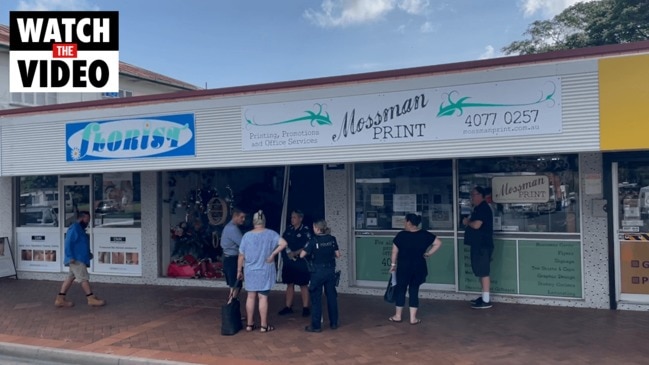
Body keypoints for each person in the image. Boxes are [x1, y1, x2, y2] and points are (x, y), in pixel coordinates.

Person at [237, 210, 287, 333]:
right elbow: (284, 243)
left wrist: (239, 270)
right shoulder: (271, 234)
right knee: (263, 298)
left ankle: (249, 324)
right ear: (264, 221)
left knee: (250, 297)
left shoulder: (247, 236)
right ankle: (264, 326)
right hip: (264, 270)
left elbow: (241, 255)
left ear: (253, 222)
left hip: (250, 271)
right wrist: (272, 255)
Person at [388, 213, 442, 325]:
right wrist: (428, 254)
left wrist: (393, 265)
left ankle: (398, 316)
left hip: (403, 267)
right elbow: (438, 243)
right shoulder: (424, 234)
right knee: (414, 290)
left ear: (408, 222)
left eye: (404, 221)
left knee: (401, 290)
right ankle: (413, 318)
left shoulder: (401, 235)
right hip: (419, 267)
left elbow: (394, 252)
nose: (404, 223)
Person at [55, 211, 105, 308]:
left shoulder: (80, 229)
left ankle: (60, 299)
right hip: (76, 259)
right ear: (82, 218)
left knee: (70, 278)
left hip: (80, 257)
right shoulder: (74, 228)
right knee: (83, 278)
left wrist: (88, 254)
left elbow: (81, 244)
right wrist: (70, 257)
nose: (88, 222)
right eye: (87, 220)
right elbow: (68, 243)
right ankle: (91, 298)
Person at [300, 219, 340, 332]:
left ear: (317, 228)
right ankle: (334, 323)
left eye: (314, 227)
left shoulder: (313, 240)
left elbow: (302, 255)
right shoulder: (332, 239)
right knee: (332, 297)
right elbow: (338, 255)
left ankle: (316, 326)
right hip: (330, 271)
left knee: (316, 298)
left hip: (317, 272)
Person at [463, 186, 494, 309]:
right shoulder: (477, 208)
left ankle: (486, 300)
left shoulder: (483, 208)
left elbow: (476, 225)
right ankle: (484, 295)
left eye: (474, 194)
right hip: (478, 244)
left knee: (484, 272)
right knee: (480, 271)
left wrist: (467, 222)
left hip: (483, 245)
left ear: (481, 195)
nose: (472, 197)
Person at [278, 209, 312, 317]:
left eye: (294, 217)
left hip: (301, 261)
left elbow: (308, 245)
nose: (292, 219)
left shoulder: (305, 230)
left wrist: (296, 252)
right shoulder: (289, 229)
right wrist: (287, 254)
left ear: (300, 218)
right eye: (291, 217)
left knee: (303, 284)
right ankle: (288, 307)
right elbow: (282, 242)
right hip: (289, 262)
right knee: (289, 284)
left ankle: (305, 307)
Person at [221, 208, 246, 298]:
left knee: (235, 286)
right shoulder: (233, 228)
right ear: (235, 216)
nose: (243, 219)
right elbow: (243, 244)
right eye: (241, 217)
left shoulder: (229, 227)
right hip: (232, 259)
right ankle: (231, 305)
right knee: (235, 286)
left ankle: (231, 304)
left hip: (229, 258)